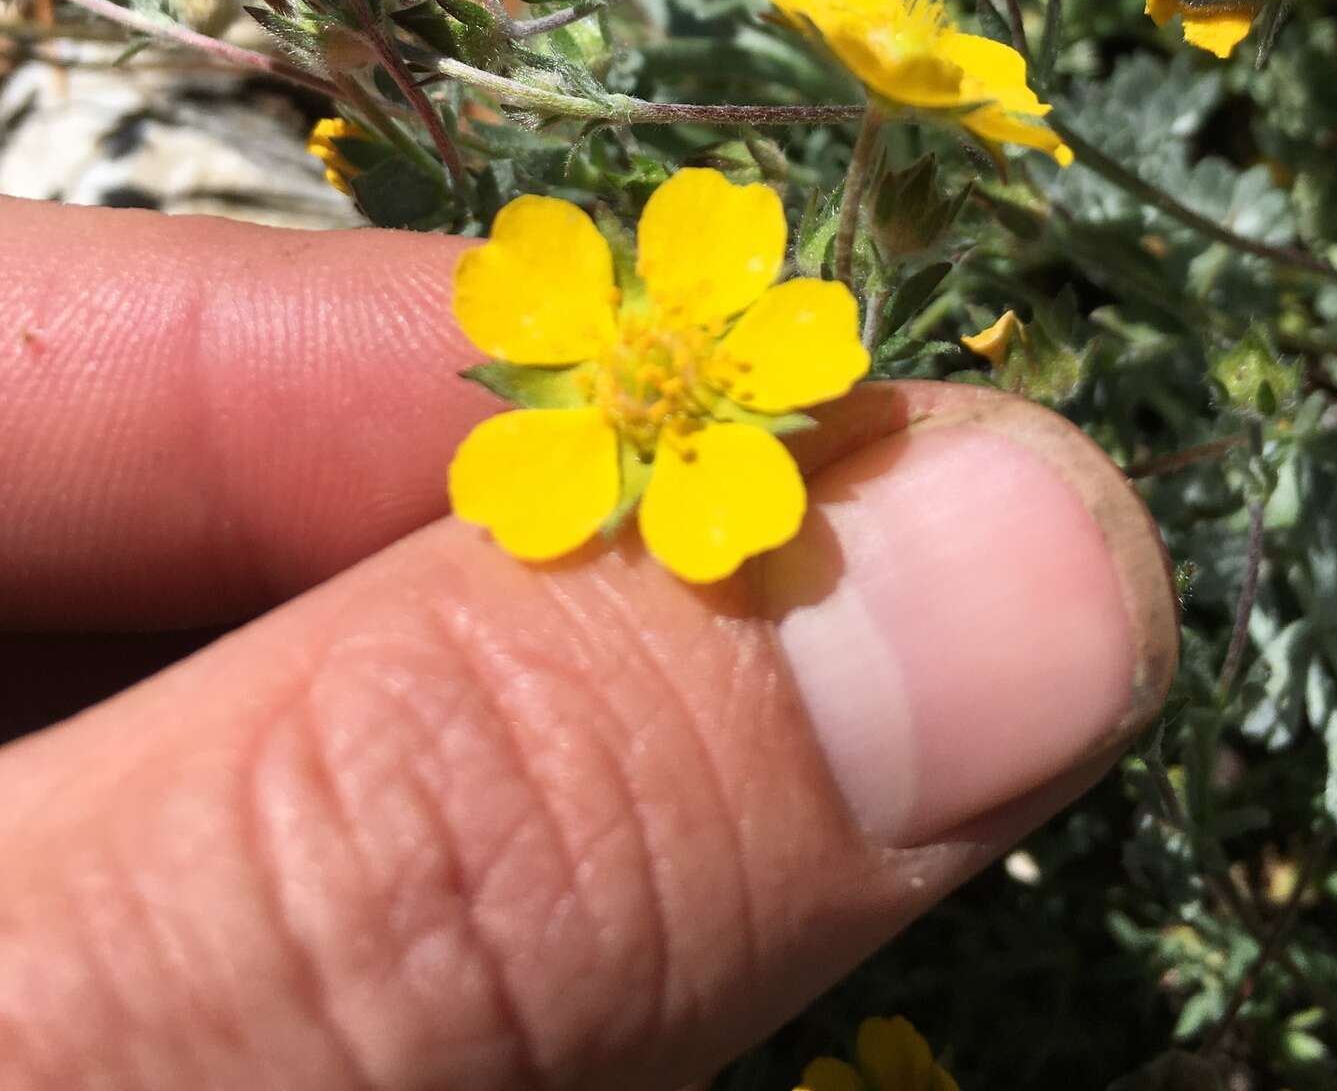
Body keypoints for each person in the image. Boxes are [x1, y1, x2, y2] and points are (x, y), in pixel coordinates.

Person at [0, 200, 1178, 1088]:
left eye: (663, 359)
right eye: (644, 363)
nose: (656, 366)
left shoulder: (734, 378)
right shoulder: (577, 415)